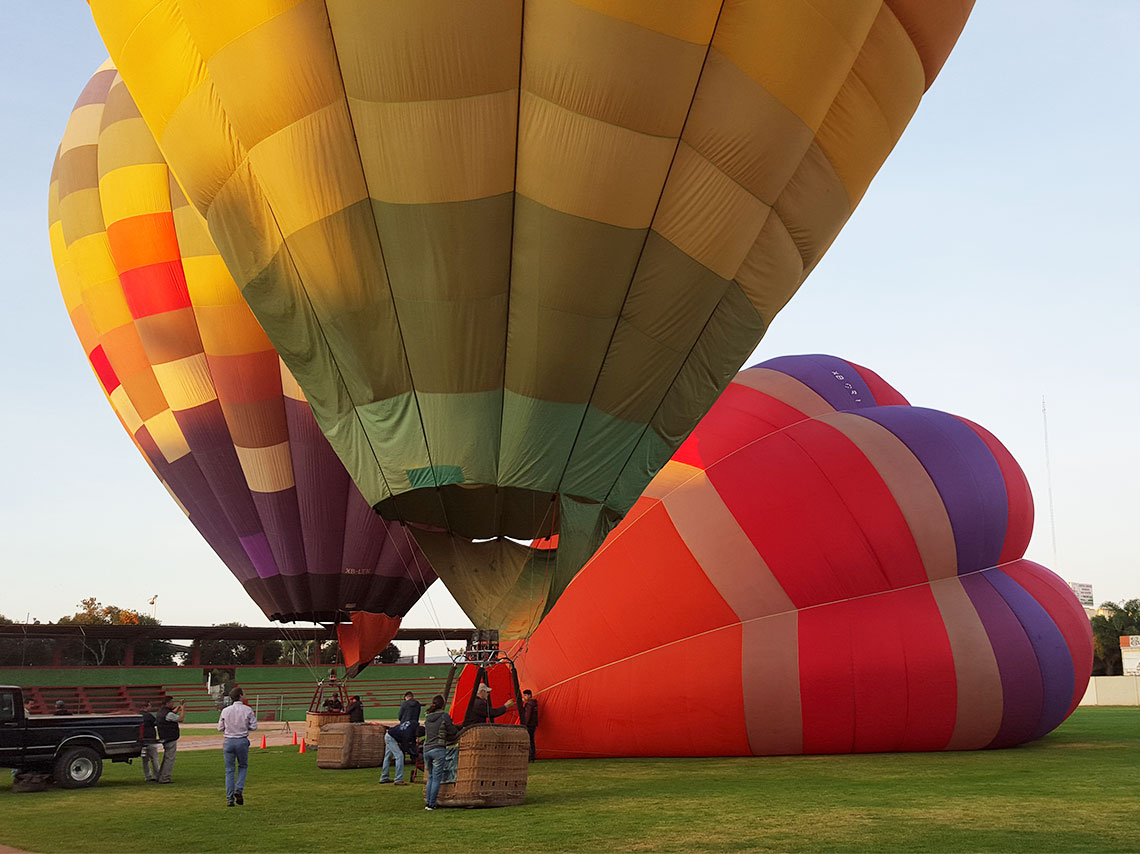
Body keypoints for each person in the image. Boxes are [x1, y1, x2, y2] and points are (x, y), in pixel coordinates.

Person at [217, 686, 258, 806]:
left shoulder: (225, 710)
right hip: (241, 740)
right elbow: (254, 726)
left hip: (229, 740)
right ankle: (239, 789)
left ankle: (229, 799)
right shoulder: (248, 710)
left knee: (229, 770)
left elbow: (220, 728)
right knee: (243, 766)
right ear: (240, 695)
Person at [422, 695, 459, 811]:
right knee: (437, 778)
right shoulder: (444, 716)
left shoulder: (428, 717)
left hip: (426, 749)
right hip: (438, 749)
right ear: (443, 704)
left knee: (431, 777)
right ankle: (431, 804)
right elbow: (452, 731)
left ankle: (428, 801)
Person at [156, 696, 185, 783]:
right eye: (172, 702)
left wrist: (180, 706)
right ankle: (165, 778)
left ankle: (160, 776)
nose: (173, 703)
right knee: (170, 759)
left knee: (166, 758)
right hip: (170, 737)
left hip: (164, 737)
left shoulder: (162, 711)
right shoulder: (168, 714)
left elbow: (173, 712)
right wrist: (183, 709)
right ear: (167, 703)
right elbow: (181, 719)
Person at [139, 699, 161, 783]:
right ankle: (158, 775)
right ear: (146, 706)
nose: (150, 707)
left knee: (145, 760)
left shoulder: (139, 715)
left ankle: (148, 776)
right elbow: (156, 723)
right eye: (149, 706)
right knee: (154, 759)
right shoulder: (149, 716)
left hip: (142, 741)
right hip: (151, 739)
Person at [521, 689, 539, 761]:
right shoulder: (534, 703)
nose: (524, 697)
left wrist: (525, 723)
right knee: (531, 740)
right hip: (533, 724)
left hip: (529, 724)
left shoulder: (529, 704)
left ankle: (530, 756)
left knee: (528, 740)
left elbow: (528, 715)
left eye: (525, 695)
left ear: (529, 695)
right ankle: (532, 756)